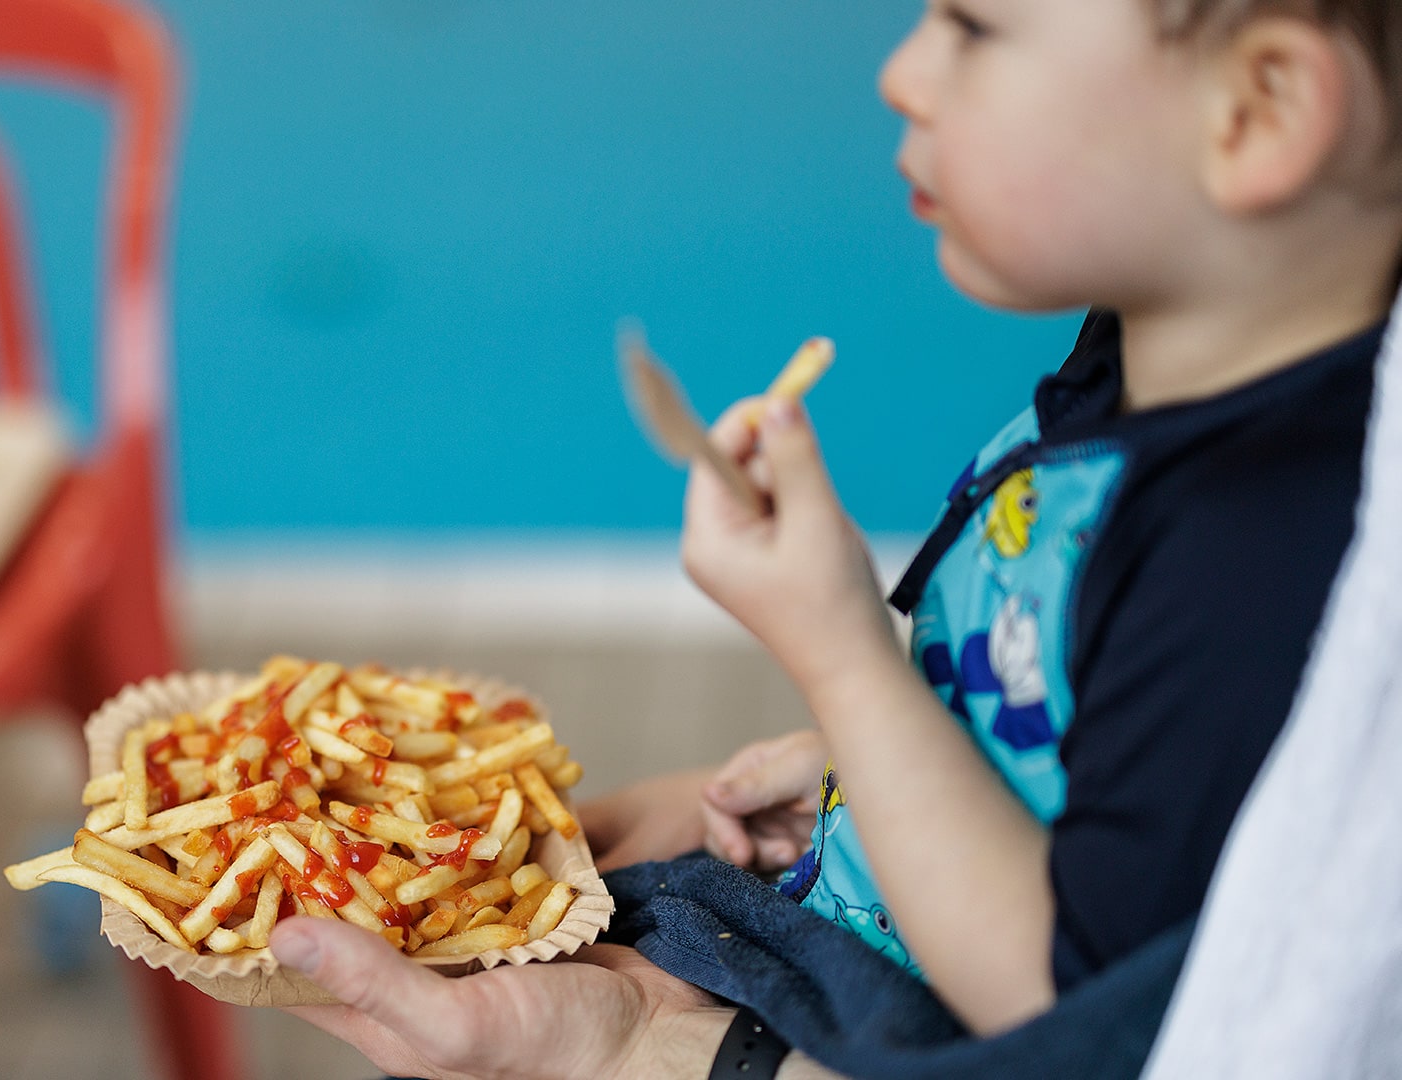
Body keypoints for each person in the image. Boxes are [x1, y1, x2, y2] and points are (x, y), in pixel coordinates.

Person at [269, 0, 1402, 1073]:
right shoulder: (1142, 375)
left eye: (972, 24)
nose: (900, 71)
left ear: (1257, 110)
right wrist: (854, 770)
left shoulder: (1267, 560)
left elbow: (1067, 1004)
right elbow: (1103, 766)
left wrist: (849, 660)